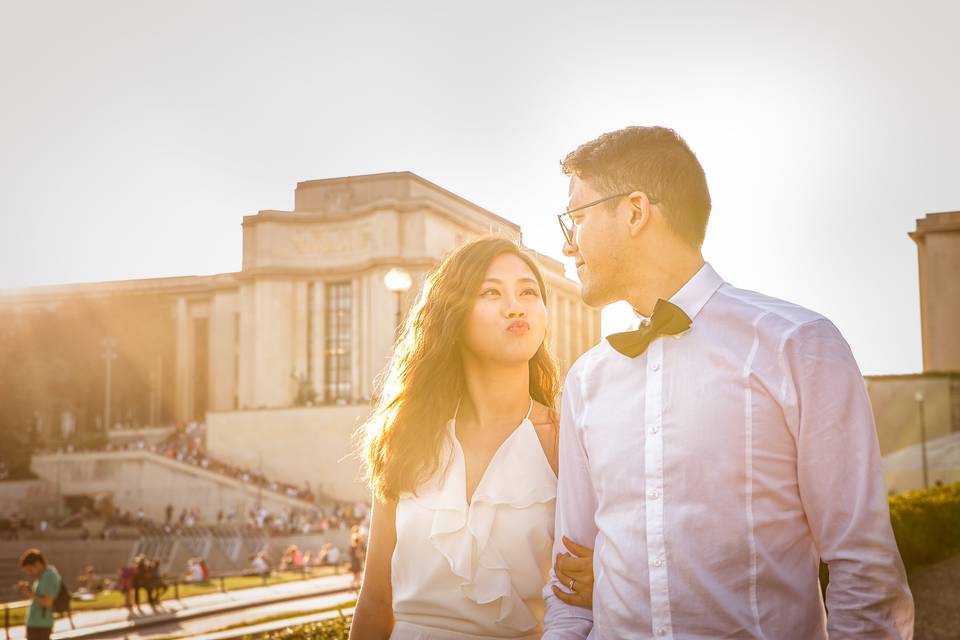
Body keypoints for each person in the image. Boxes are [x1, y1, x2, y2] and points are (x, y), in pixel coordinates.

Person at [542, 126, 915, 638]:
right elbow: (568, 586)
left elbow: (864, 570)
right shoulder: (586, 380)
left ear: (634, 211)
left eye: (577, 218)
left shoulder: (798, 345)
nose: (566, 245)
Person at [350, 237, 593, 640]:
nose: (515, 305)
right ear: (454, 313)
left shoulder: (565, 440)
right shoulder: (407, 436)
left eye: (529, 292)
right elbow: (376, 599)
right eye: (491, 292)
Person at [17, 548, 61, 640]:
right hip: (37, 624)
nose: (29, 573)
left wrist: (29, 593)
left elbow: (47, 602)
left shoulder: (48, 576)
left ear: (37, 564)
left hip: (40, 625)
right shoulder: (43, 576)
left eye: (30, 569)